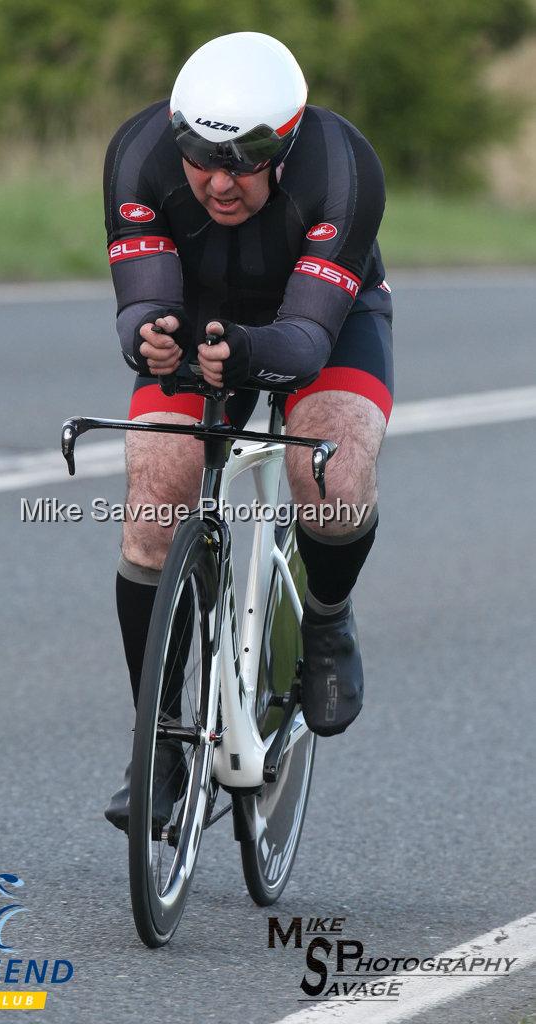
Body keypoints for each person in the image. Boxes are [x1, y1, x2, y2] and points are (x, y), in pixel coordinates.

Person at [102, 31, 393, 832]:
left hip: (322, 320)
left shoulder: (341, 167)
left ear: (287, 141)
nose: (219, 182)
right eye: (201, 156)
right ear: (175, 131)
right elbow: (140, 300)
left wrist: (241, 351)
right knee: (156, 492)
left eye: (246, 160)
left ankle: (327, 615)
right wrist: (150, 336)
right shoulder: (138, 155)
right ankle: (156, 745)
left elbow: (301, 342)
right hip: (202, 313)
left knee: (330, 474)